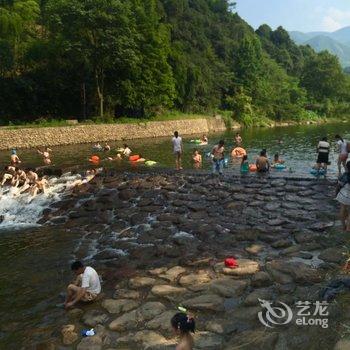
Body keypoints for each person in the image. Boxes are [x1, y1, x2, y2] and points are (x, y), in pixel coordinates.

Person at [336, 161, 350, 232]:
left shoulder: (345, 175)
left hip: (343, 195)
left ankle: (343, 226)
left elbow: (339, 185)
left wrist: (336, 193)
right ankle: (348, 228)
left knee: (342, 209)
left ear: (347, 167)